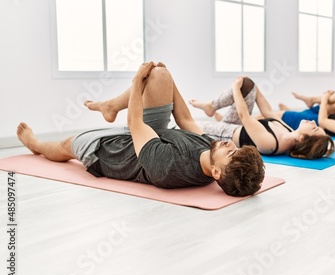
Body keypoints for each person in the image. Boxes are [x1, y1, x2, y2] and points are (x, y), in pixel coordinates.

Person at [16, 62, 265, 197]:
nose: (229, 144)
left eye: (230, 153)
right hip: (153, 134)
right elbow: (186, 120)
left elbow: (135, 124)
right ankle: (111, 106)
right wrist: (170, 80)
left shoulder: (169, 168)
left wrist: (137, 83)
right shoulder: (209, 151)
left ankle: (35, 145)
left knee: (65, 146)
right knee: (159, 74)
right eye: (235, 147)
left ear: (216, 172)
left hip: (114, 152)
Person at [189, 77, 334, 159]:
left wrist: (234, 88)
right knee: (247, 84)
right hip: (236, 124)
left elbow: (244, 116)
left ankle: (210, 107)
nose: (313, 122)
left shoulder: (271, 144)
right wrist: (255, 89)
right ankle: (211, 106)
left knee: (185, 125)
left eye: (314, 128)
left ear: (302, 139)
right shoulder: (289, 130)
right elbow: (268, 111)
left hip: (224, 133)